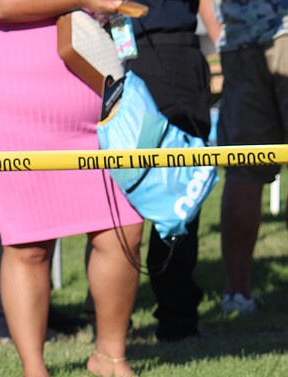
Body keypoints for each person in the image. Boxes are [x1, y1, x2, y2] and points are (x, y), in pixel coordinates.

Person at [0, 0, 143, 377]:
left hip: (95, 99)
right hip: (7, 103)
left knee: (124, 229)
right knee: (28, 243)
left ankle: (110, 355)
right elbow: (1, 7)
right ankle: (33, 370)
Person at [117, 0, 214, 339]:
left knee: (122, 195)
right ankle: (177, 316)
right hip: (162, 54)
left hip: (120, 50)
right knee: (179, 193)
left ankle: (111, 319)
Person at [215, 1, 288, 315]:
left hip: (239, 40)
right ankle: (237, 291)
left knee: (243, 171)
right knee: (243, 172)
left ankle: (238, 292)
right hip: (269, 36)